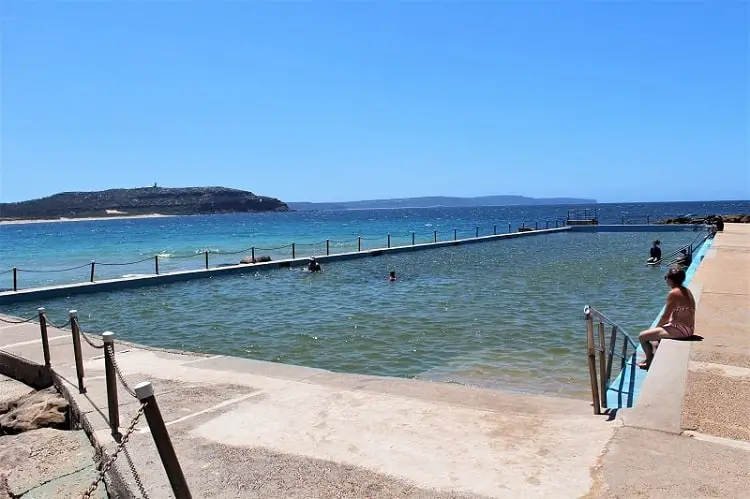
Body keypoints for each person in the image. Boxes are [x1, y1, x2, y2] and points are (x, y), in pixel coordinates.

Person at [637, 267, 696, 369]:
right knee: (657, 337)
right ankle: (653, 352)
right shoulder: (686, 290)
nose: (665, 280)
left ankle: (649, 360)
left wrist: (655, 329)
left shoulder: (673, 293)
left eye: (666, 278)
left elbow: (665, 316)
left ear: (670, 280)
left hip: (682, 330)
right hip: (688, 328)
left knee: (642, 336)